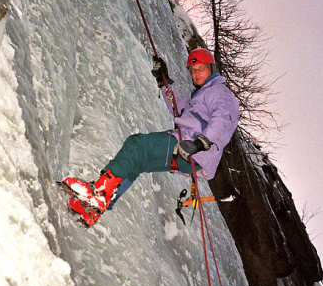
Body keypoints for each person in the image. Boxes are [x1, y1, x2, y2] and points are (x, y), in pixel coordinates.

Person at [62, 48, 240, 226]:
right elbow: (176, 107)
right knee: (136, 163)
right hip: (187, 151)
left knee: (137, 145)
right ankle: (95, 209)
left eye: (201, 68)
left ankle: (100, 193)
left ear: (212, 69)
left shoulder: (219, 92)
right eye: (193, 70)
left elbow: (223, 120)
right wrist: (163, 82)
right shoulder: (199, 95)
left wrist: (198, 144)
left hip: (189, 147)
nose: (196, 73)